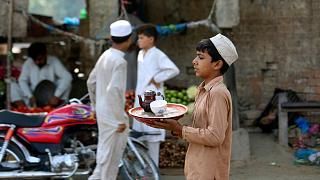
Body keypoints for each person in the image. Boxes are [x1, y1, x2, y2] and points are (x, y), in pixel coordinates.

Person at [146, 33, 238, 180]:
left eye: (201, 57)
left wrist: (180, 129)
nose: (194, 61)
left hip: (209, 171)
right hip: (197, 167)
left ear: (217, 64)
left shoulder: (218, 93)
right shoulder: (203, 90)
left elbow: (215, 137)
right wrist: (173, 126)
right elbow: (200, 127)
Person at [87, 20, 132, 180]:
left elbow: (90, 82)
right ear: (129, 39)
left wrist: (94, 106)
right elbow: (114, 90)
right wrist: (119, 119)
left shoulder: (105, 56)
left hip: (103, 112)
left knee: (104, 159)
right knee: (109, 162)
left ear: (112, 39)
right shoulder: (119, 61)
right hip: (113, 116)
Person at [132, 24, 180, 166]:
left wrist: (157, 78)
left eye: (141, 38)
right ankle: (143, 170)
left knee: (152, 137)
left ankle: (154, 171)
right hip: (140, 97)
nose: (138, 41)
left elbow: (173, 70)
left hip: (153, 98)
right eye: (138, 38)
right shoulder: (140, 54)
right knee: (140, 136)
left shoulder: (158, 54)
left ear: (151, 39)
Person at [17, 42, 72, 107]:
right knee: (12, 85)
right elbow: (22, 80)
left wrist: (56, 96)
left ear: (45, 55)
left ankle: (61, 106)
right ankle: (23, 108)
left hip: (51, 96)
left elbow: (68, 77)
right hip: (33, 96)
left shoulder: (53, 61)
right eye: (34, 60)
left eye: (39, 59)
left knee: (67, 84)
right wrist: (30, 96)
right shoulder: (28, 62)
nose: (37, 62)